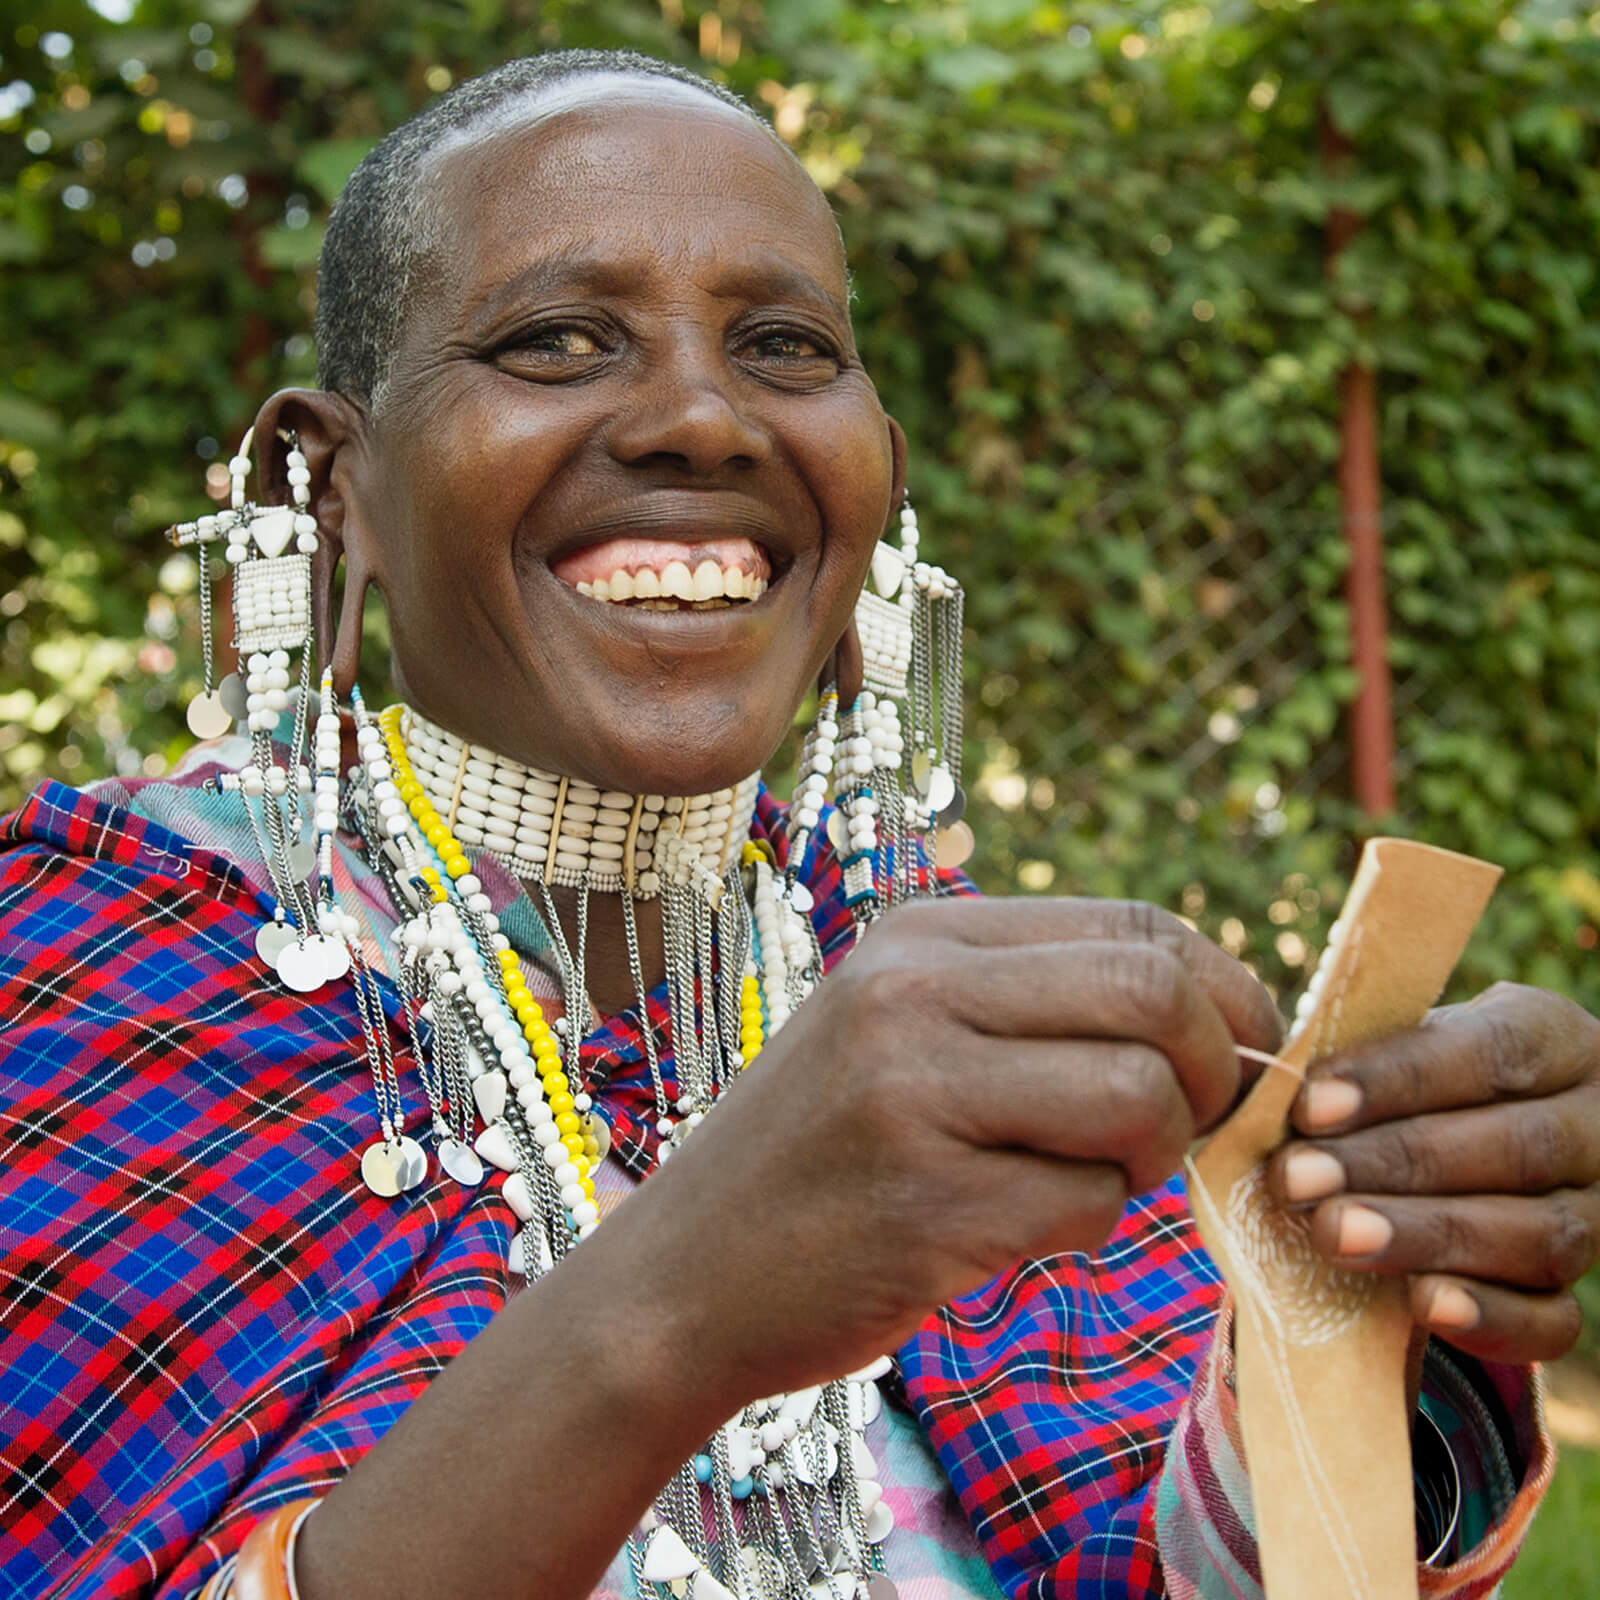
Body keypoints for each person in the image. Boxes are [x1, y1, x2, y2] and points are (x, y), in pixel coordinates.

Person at [2, 49, 1597, 1600]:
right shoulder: (75, 974)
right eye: (557, 340)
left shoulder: (928, 990)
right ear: (327, 483)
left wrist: (1361, 1288)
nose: (703, 419)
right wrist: (675, 1306)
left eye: (781, 347)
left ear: (877, 477)